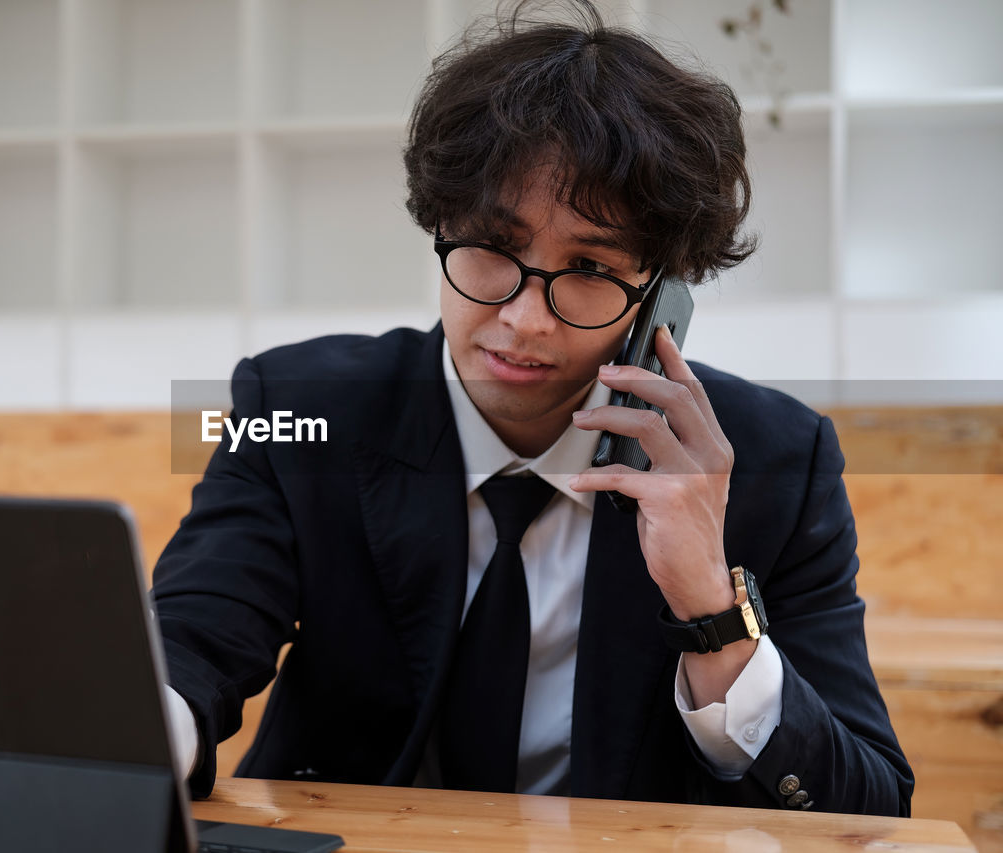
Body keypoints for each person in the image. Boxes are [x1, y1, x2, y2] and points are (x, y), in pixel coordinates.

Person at [152, 1, 912, 815]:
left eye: (588, 265)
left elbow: (866, 811)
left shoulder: (774, 463)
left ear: (660, 292)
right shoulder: (300, 409)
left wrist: (711, 611)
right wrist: (144, 728)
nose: (524, 318)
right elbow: (193, 639)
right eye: (493, 247)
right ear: (437, 220)